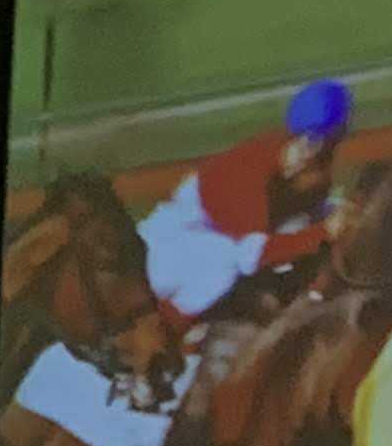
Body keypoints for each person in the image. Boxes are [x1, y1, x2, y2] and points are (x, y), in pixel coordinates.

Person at [138, 76, 354, 324]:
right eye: (308, 140)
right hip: (171, 250)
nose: (313, 150)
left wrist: (338, 216)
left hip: (220, 240)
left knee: (296, 236)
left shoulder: (315, 172)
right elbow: (250, 255)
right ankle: (177, 332)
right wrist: (322, 232)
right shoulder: (249, 173)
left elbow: (310, 215)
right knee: (226, 261)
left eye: (325, 142)